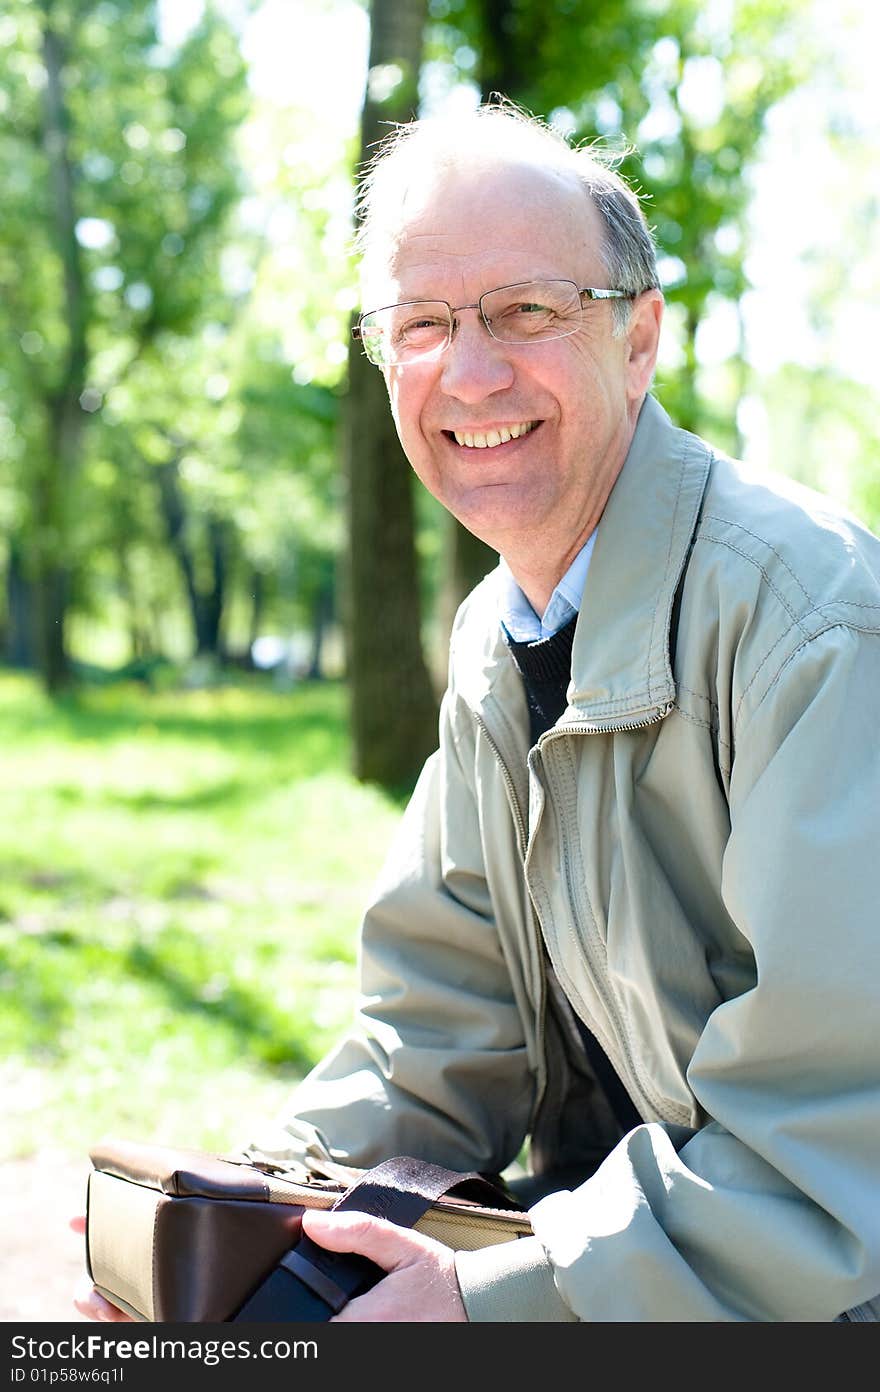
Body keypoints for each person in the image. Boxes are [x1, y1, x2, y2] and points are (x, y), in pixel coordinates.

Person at [76, 101, 880, 1323]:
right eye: (423, 324)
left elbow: (831, 1152)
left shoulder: (811, 628)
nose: (471, 370)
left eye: (525, 312)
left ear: (639, 337)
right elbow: (440, 1035)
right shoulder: (498, 643)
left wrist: (498, 1304)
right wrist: (236, 1216)